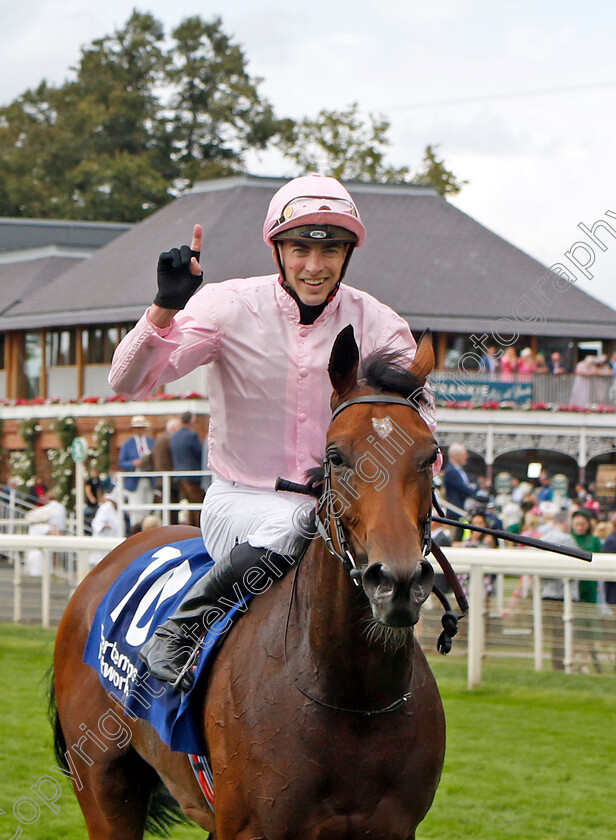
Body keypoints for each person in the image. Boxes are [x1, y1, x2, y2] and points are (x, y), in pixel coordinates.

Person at [108, 173, 440, 689]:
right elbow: (128, 382)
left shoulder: (380, 322)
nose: (315, 265)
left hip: (342, 505)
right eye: (299, 248)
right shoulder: (225, 306)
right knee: (293, 526)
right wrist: (164, 309)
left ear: (348, 253)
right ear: (277, 250)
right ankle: (179, 631)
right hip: (241, 502)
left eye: (331, 249)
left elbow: (421, 428)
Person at [540, 512, 579, 671]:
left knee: (556, 635)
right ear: (565, 523)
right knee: (563, 634)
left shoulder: (543, 537)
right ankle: (562, 665)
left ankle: (557, 665)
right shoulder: (567, 539)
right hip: (563, 595)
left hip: (547, 593)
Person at [117, 415, 156, 527]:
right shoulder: (127, 444)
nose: (139, 430)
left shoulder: (151, 442)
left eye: (141, 427)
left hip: (149, 479)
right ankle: (136, 532)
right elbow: (121, 462)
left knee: (147, 509)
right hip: (135, 481)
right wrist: (133, 463)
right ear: (133, 429)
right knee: (136, 511)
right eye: (137, 428)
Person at [169, 411, 204, 528]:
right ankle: (198, 528)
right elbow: (201, 454)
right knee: (198, 504)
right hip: (192, 476)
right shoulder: (192, 435)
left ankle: (192, 527)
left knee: (190, 505)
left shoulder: (175, 436)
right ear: (191, 421)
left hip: (179, 476)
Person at [443, 443, 486, 533]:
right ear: (456, 456)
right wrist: (474, 491)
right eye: (464, 454)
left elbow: (475, 483)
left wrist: (474, 489)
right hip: (457, 512)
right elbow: (466, 489)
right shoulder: (450, 471)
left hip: (464, 511)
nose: (467, 457)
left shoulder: (462, 470)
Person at [25, 490, 67, 576]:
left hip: (53, 530)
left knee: (50, 551)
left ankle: (52, 570)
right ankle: (55, 569)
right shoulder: (61, 507)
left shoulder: (48, 508)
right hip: (60, 530)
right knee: (55, 552)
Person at [151, 417, 182, 524]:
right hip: (169, 479)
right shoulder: (170, 440)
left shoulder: (159, 438)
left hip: (160, 478)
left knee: (166, 506)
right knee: (172, 508)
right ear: (173, 428)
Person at [89, 487, 125, 566]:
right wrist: (104, 526)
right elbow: (96, 523)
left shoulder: (118, 511)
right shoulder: (105, 508)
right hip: (103, 542)